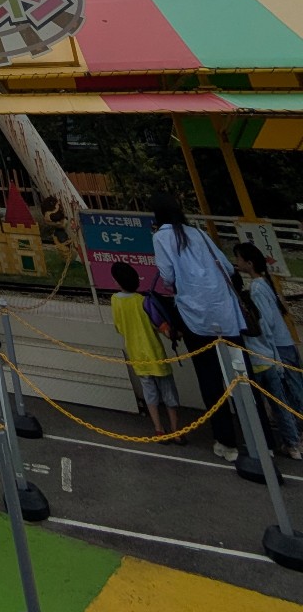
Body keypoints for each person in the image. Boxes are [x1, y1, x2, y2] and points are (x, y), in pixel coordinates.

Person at [151, 191, 244, 460]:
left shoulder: (161, 237)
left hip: (195, 318)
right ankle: (263, 441)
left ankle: (226, 441)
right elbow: (228, 268)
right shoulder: (199, 233)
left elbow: (167, 276)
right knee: (242, 378)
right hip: (227, 315)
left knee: (210, 380)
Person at [110, 262, 183, 440]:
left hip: (136, 355)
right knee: (168, 392)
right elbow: (161, 326)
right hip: (155, 353)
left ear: (117, 281)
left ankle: (158, 428)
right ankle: (176, 430)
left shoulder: (115, 301)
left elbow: (119, 327)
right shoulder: (144, 301)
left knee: (150, 393)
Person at [234, 242, 303, 432]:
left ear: (249, 263)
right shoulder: (265, 283)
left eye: (239, 258)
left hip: (278, 346)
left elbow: (266, 322)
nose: (237, 261)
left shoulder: (256, 289)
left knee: (293, 391)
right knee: (295, 388)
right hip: (285, 342)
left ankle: (297, 431)